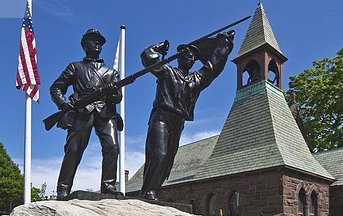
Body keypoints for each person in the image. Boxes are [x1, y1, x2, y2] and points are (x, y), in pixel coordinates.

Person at [139, 31, 235, 200]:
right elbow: (148, 58)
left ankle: (153, 189)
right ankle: (148, 191)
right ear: (178, 57)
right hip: (162, 117)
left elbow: (214, 66)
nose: (189, 58)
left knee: (168, 160)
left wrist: (224, 44)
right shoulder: (167, 71)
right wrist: (158, 47)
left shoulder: (195, 79)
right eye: (185, 55)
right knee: (159, 155)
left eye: (192, 56)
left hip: (178, 122)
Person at [50, 29, 122, 200]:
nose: (97, 44)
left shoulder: (111, 72)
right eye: (93, 40)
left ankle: (108, 185)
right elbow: (56, 87)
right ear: (84, 44)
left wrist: (113, 92)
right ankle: (63, 188)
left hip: (105, 112)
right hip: (82, 111)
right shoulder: (75, 67)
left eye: (100, 42)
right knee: (74, 149)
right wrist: (63, 104)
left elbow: (118, 97)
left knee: (112, 147)